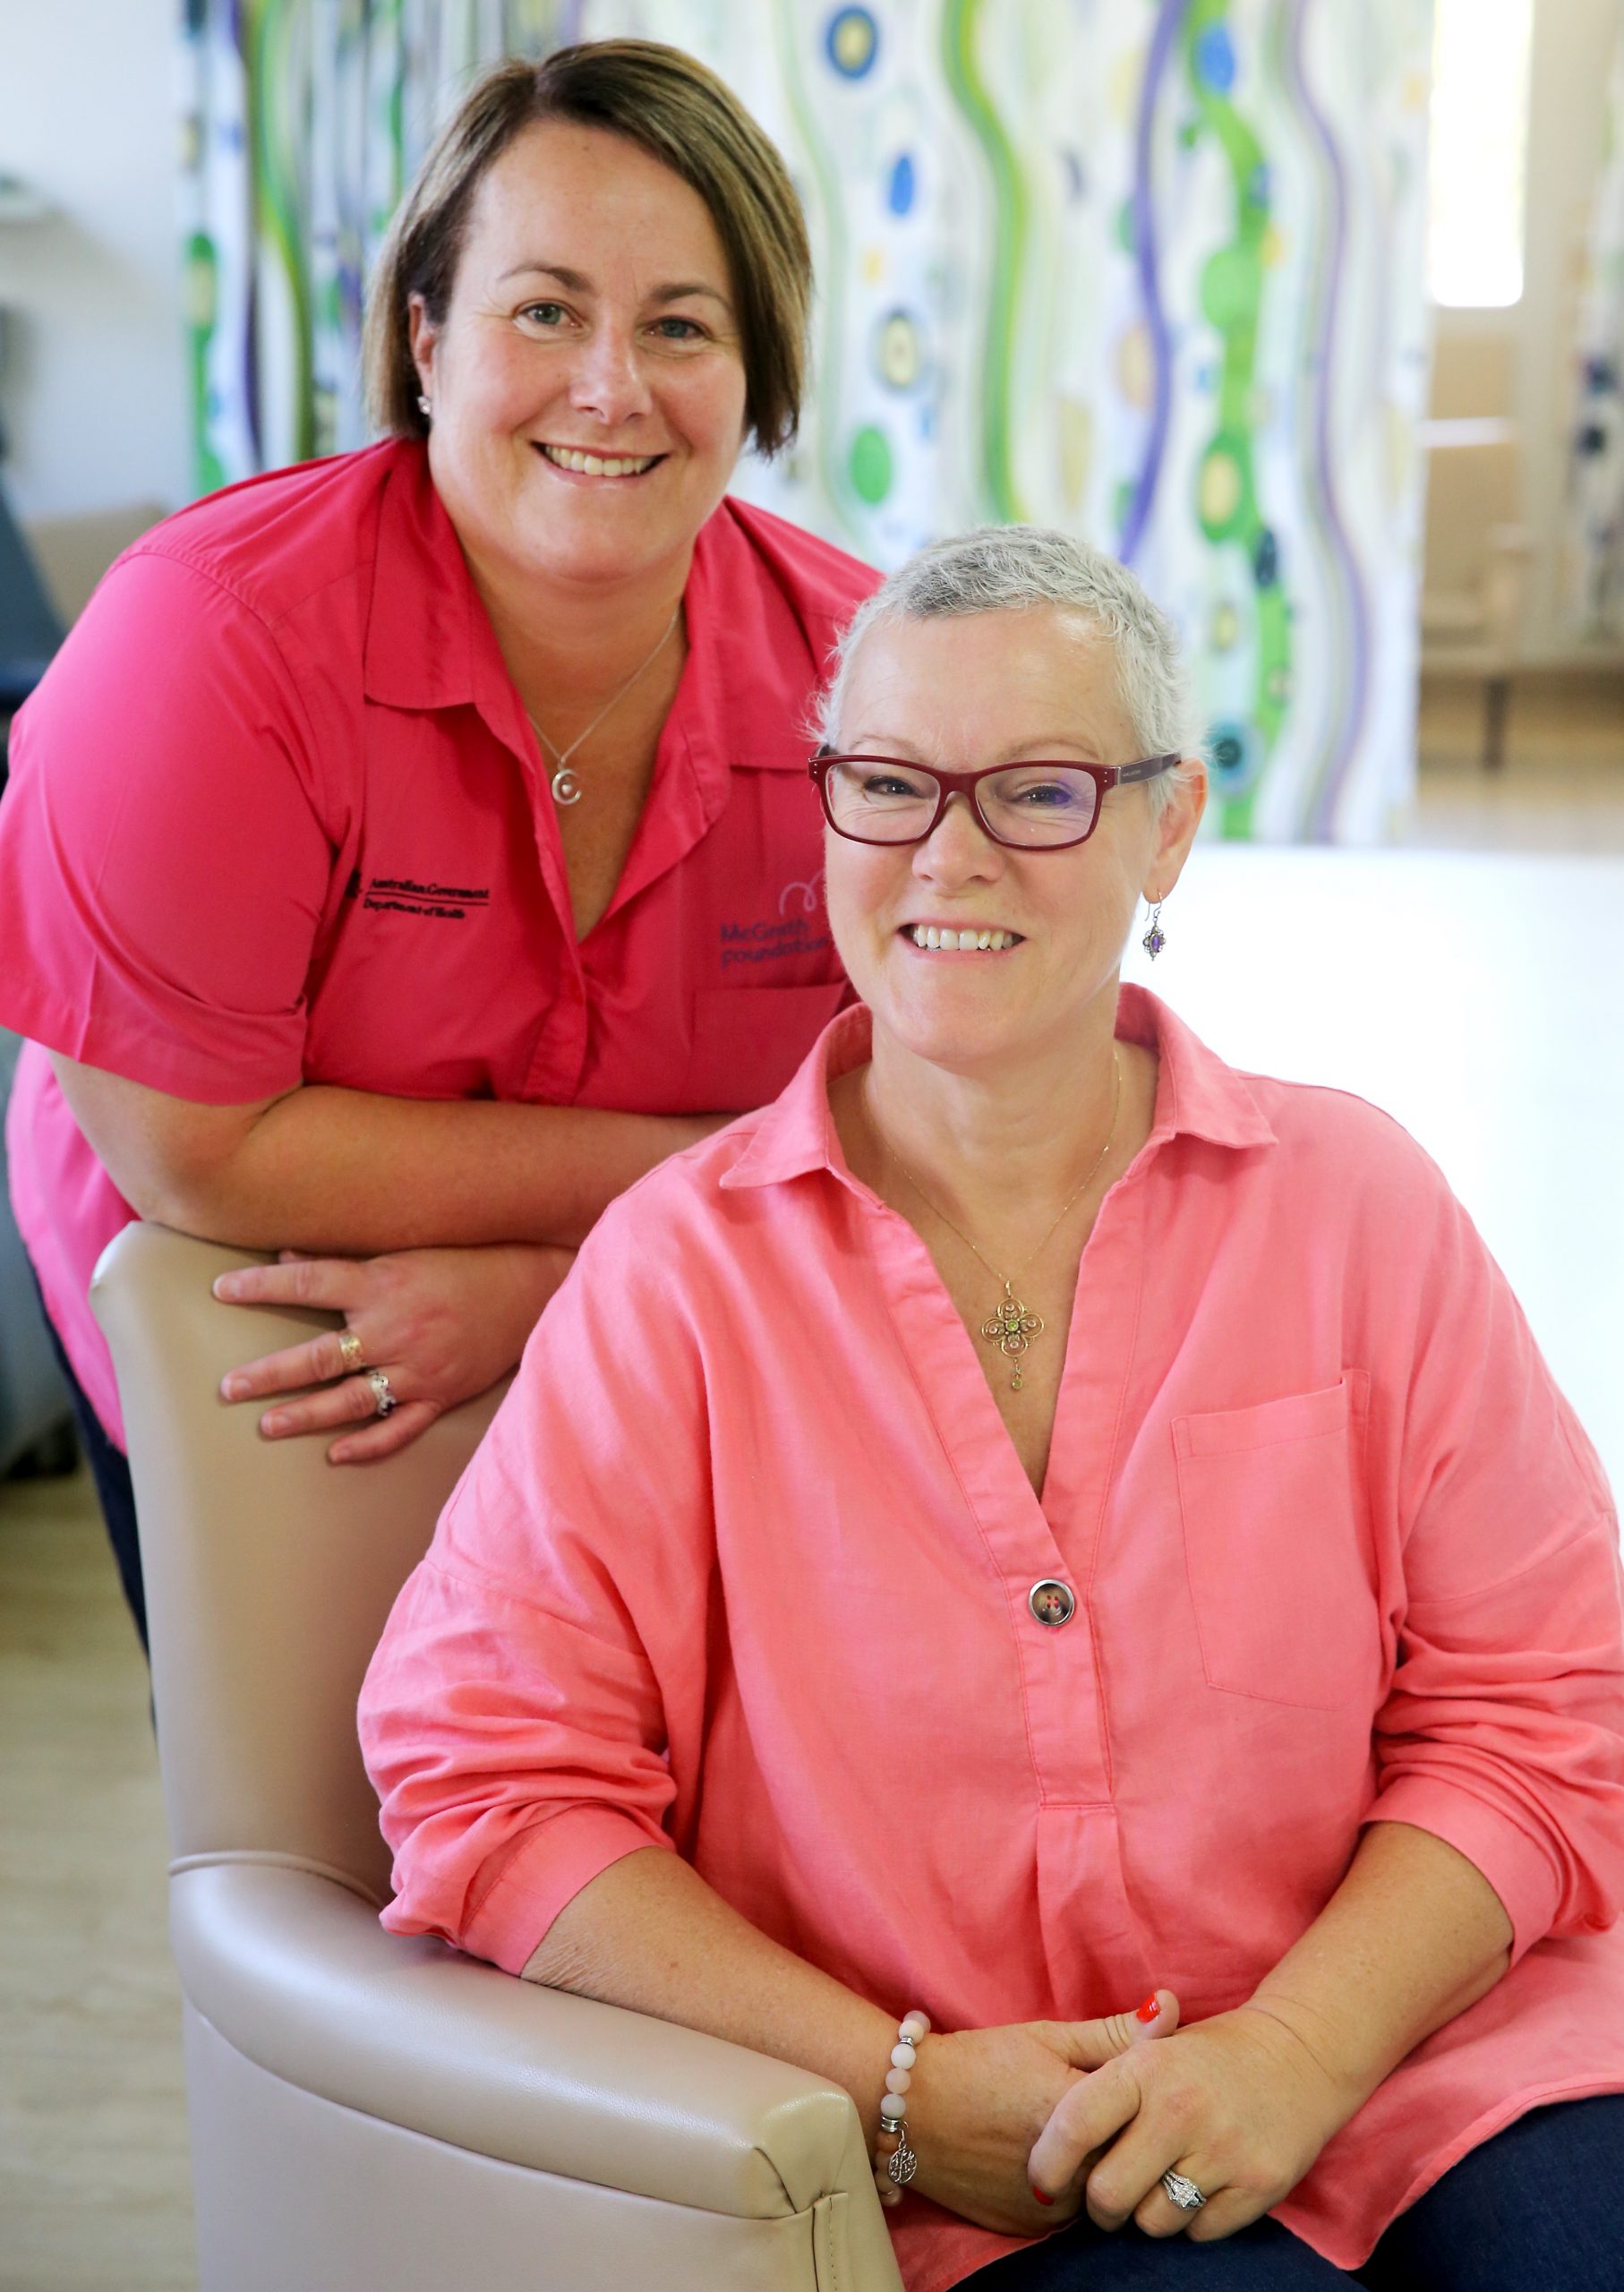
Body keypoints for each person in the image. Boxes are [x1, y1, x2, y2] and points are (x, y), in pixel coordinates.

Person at [360, 526, 1624, 2292]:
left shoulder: (1357, 1203)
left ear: (1165, 825)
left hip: (1426, 2060)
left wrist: (1297, 2047)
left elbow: (1539, 1697)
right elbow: (488, 1775)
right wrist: (897, 2092)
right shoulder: (678, 1279)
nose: (946, 855)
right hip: (1000, 2171)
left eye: (1038, 790)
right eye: (887, 784)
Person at [0, 41, 876, 1648]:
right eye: (543, 311)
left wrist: (554, 1280)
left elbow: (944, 1125)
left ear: (759, 368)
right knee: (324, 1769)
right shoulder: (209, 646)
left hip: (679, 1303)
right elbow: (197, 1149)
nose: (610, 386)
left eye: (681, 326)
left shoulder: (873, 691)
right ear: (424, 337)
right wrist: (697, 1177)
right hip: (251, 1289)